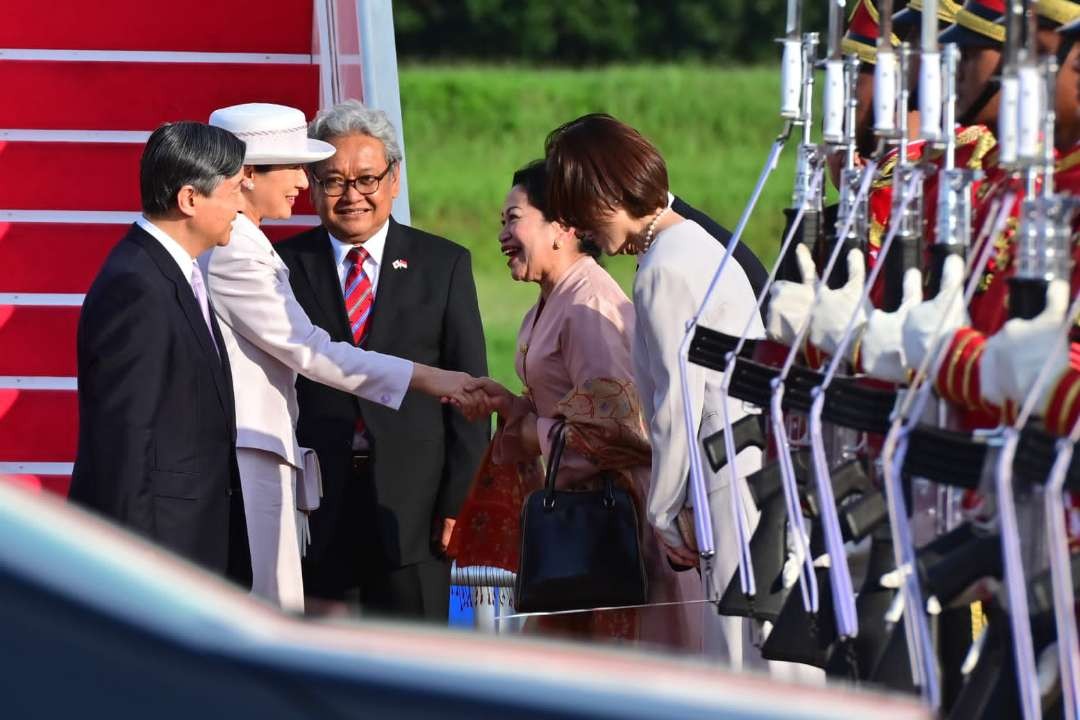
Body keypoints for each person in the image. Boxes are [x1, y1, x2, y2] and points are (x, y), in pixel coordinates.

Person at [202, 103, 481, 612]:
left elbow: (468, 399)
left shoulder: (443, 264)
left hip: (409, 510)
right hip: (315, 498)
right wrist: (427, 378)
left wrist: (457, 501)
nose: (350, 195)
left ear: (393, 180)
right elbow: (311, 351)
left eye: (367, 179)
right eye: (325, 178)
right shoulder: (260, 255)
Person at [540, 113, 767, 669]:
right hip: (751, 465)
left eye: (580, 215)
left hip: (720, 479)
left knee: (739, 653)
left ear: (603, 195)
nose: (583, 234)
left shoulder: (664, 268)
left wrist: (664, 509)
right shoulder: (699, 244)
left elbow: (676, 406)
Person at [460, 160, 703, 650]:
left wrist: (534, 434)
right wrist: (513, 407)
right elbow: (572, 408)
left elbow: (624, 426)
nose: (502, 234)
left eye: (513, 219)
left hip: (619, 528)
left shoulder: (589, 305)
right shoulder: (551, 301)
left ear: (563, 227)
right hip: (579, 524)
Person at [69, 122, 251, 585]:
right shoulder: (138, 286)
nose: (240, 207)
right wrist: (133, 576)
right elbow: (123, 442)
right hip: (158, 557)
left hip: (189, 545)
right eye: (232, 190)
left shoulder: (171, 273)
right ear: (190, 199)